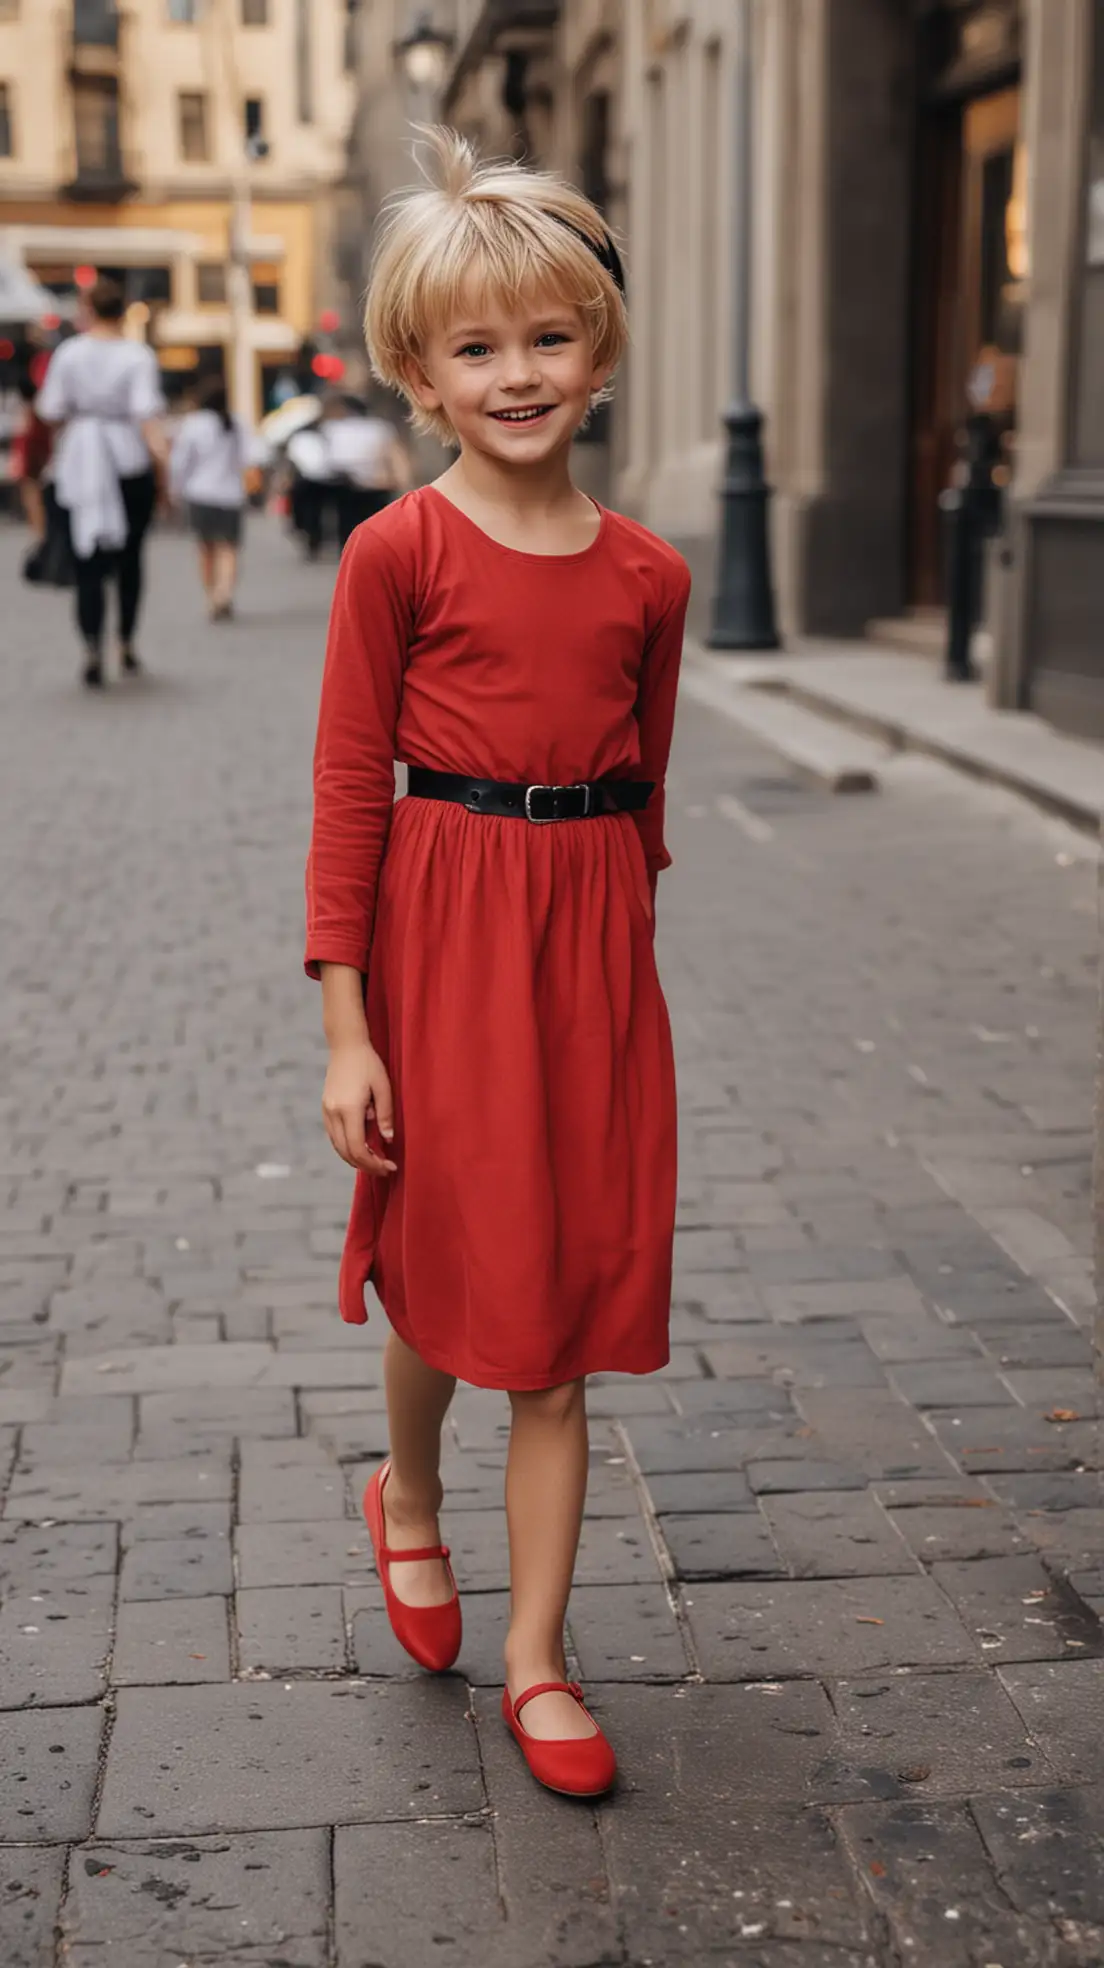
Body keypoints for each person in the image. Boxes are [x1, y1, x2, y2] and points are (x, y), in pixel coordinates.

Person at [305, 128, 690, 1799]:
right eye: (477, 347)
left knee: (559, 1314)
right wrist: (347, 1026)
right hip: (442, 930)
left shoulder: (650, 575)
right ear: (420, 371)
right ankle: (405, 1490)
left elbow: (646, 790)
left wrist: (613, 990)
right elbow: (344, 790)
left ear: (594, 351)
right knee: (448, 1269)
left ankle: (536, 1657)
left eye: (546, 337)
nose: (516, 372)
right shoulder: (398, 553)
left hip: (588, 947)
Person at [36, 277, 167, 688]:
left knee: (87, 560)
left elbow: (51, 408)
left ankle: (91, 643)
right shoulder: (137, 355)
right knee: (130, 559)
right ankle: (124, 640)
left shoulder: (70, 353)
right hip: (126, 458)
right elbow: (148, 417)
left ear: (89, 309)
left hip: (79, 461)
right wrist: (163, 472)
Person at [168, 375, 247, 620]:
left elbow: (180, 462)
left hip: (200, 494)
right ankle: (225, 593)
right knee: (229, 549)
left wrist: (175, 490)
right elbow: (252, 456)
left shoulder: (194, 424)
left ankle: (212, 596)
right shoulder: (236, 423)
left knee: (206, 549)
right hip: (231, 495)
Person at [315, 392, 413, 547]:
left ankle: (349, 551)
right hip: (377, 484)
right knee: (377, 526)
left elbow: (326, 459)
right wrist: (400, 480)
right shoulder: (380, 427)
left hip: (348, 484)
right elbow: (396, 456)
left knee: (348, 525)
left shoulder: (332, 428)